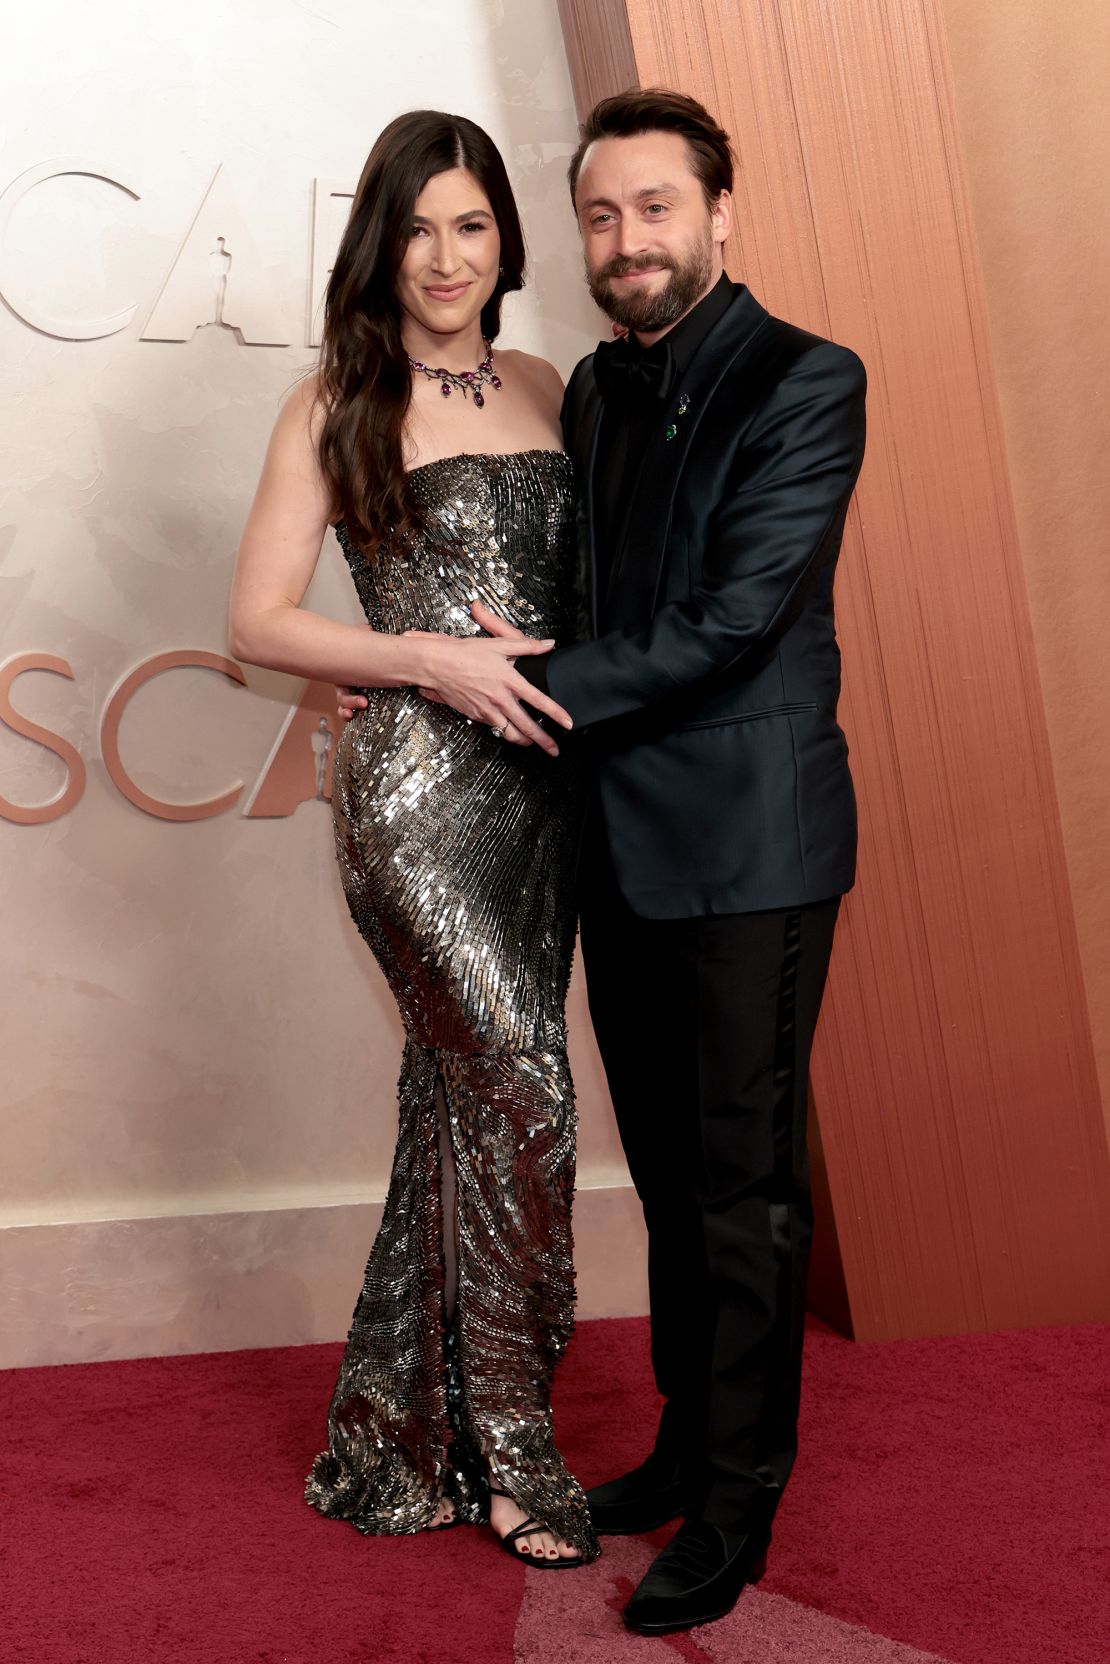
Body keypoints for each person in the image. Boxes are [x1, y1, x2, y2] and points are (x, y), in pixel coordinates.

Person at [345, 87, 868, 1634]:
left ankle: (739, 1505)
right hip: (616, 847)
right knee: (668, 1178)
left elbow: (726, 620)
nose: (625, 240)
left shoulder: (805, 379)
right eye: (599, 214)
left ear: (719, 213)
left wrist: (524, 675)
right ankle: (689, 1442)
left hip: (749, 850)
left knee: (744, 1193)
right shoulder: (589, 388)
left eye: (654, 208)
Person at [229, 109, 599, 1568]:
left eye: (473, 225)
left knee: (460, 1103)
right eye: (417, 227)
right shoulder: (337, 392)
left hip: (546, 794)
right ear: (375, 242)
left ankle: (408, 1429)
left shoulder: (545, 381)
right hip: (414, 800)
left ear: (504, 240)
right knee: (521, 1083)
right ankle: (515, 1456)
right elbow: (257, 619)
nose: (444, 257)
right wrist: (431, 662)